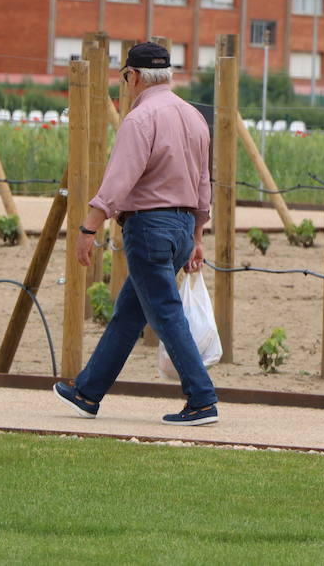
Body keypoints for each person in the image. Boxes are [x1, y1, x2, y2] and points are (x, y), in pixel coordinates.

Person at [52, 41, 219, 426]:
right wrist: (197, 235)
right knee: (129, 314)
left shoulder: (140, 119)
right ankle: (87, 392)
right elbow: (203, 183)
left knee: (165, 313)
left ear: (135, 76)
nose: (126, 83)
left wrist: (87, 228)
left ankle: (202, 398)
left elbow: (118, 182)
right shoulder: (194, 117)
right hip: (180, 229)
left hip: (149, 228)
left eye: (125, 76)